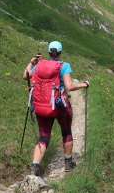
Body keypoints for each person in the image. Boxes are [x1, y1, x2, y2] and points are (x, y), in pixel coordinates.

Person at [22, 41, 89, 176]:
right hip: (59, 106)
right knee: (66, 132)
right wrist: (84, 84)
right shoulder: (64, 66)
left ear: (48, 52)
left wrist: (32, 62)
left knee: (44, 135)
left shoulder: (39, 65)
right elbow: (69, 87)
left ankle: (35, 166)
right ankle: (68, 163)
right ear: (60, 52)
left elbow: (25, 76)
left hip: (41, 106)